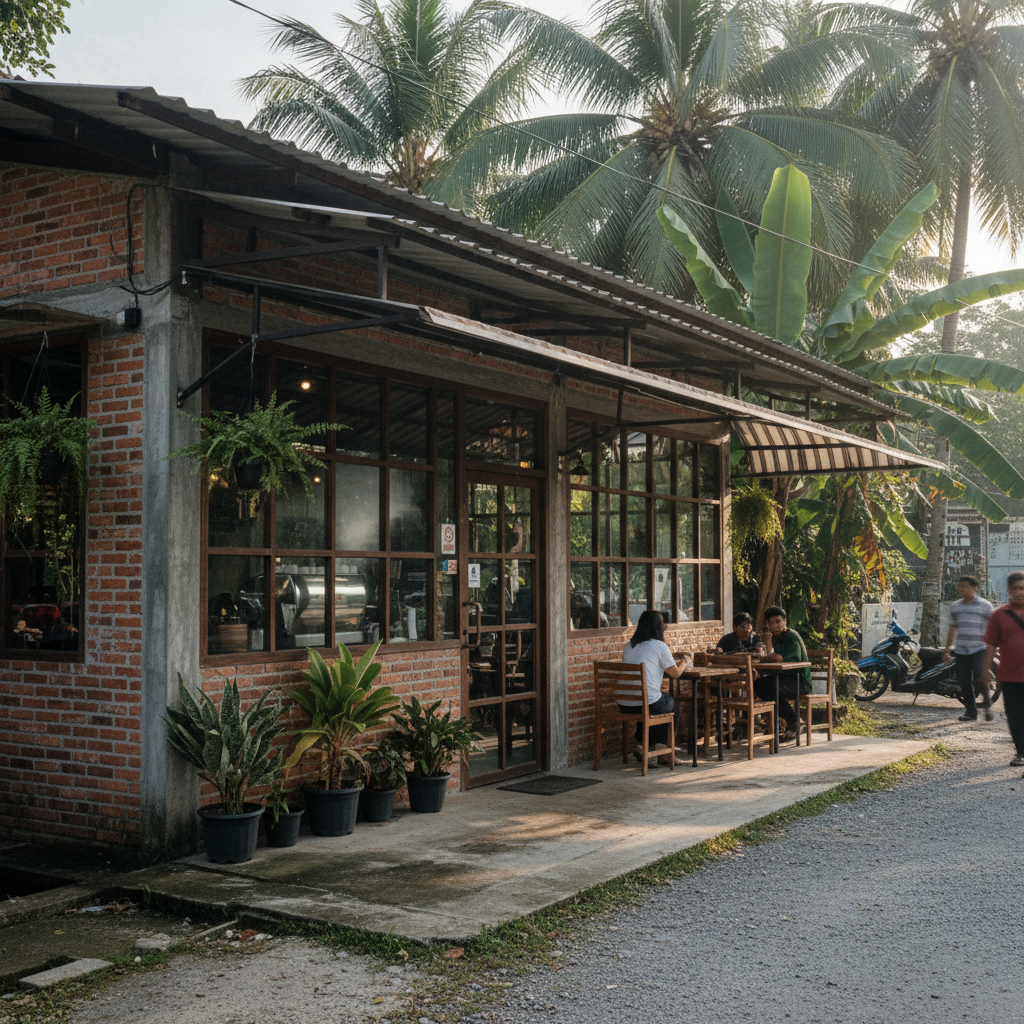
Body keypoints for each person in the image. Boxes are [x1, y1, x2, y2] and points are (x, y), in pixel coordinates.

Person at [620, 610, 685, 762]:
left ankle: (643, 747)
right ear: (658, 627)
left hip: (624, 704)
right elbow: (675, 673)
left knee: (652, 705)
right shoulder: (659, 645)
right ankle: (663, 751)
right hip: (645, 702)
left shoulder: (629, 646)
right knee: (669, 704)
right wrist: (686, 662)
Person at [982, 572, 1024, 769]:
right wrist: (985, 671)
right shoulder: (999, 615)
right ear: (1009, 590)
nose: (1021, 592)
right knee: (1015, 715)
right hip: (1010, 676)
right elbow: (990, 645)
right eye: (1017, 588)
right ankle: (1021, 753)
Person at [943, 575, 994, 722]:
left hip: (979, 648)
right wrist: (947, 650)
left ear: (974, 588)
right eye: (959, 586)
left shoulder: (985, 606)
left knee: (980, 676)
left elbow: (992, 628)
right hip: (961, 650)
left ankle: (987, 702)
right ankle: (971, 712)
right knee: (964, 682)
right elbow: (952, 628)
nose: (960, 589)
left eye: (963, 586)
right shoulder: (955, 606)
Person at [760, 605, 812, 741]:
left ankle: (793, 721)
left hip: (800, 681)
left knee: (771, 688)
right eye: (771, 623)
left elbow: (782, 658)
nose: (775, 626)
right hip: (784, 678)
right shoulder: (775, 638)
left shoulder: (791, 636)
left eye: (778, 622)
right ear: (767, 625)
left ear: (785, 621)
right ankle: (791, 721)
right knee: (759, 685)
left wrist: (767, 658)